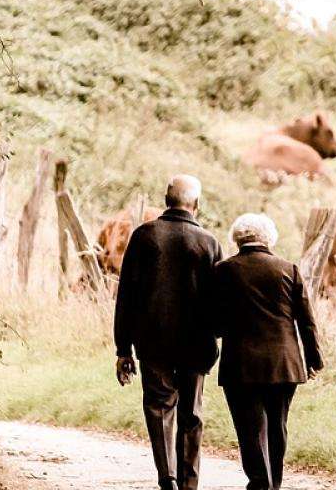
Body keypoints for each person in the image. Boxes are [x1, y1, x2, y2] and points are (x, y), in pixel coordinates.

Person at [113, 175, 223, 490]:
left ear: (166, 200)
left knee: (159, 406)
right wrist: (213, 337)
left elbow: (127, 297)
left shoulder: (144, 236)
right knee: (191, 413)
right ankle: (189, 482)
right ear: (197, 204)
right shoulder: (209, 243)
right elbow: (219, 300)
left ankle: (168, 477)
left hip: (152, 340)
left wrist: (123, 349)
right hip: (196, 343)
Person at [212, 213, 323, 490]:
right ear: (269, 238)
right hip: (284, 362)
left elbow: (213, 320)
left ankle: (260, 481)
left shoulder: (223, 271)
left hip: (241, 362)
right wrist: (313, 359)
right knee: (277, 424)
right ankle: (274, 483)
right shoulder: (289, 269)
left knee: (249, 427)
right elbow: (306, 320)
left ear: (237, 238)